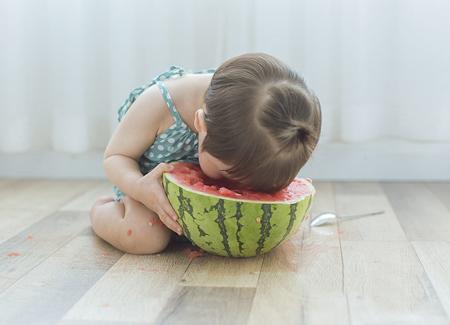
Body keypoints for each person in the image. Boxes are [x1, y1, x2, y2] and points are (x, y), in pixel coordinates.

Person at [89, 52, 322, 254]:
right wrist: (139, 187)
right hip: (147, 190)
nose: (232, 188)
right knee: (144, 236)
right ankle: (103, 211)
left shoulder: (255, 125)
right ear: (201, 124)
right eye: (225, 176)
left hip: (194, 210)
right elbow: (115, 157)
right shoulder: (158, 103)